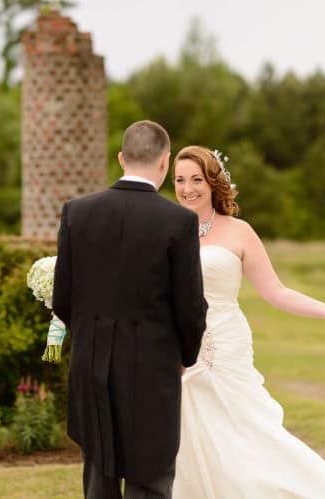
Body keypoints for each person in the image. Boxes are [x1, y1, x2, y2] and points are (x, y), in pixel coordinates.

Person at [171, 145, 325, 498]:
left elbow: (277, 292)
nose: (188, 188)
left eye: (196, 179)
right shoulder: (166, 230)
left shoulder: (239, 231)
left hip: (225, 345)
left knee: (245, 436)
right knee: (192, 439)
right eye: (180, 180)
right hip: (182, 352)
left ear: (213, 182)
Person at [52, 120, 208, 499]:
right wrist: (184, 356)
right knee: (150, 478)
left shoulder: (77, 212)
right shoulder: (178, 222)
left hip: (91, 368)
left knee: (99, 478)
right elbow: (190, 308)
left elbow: (62, 298)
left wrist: (92, 338)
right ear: (164, 162)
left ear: (122, 158)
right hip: (151, 371)